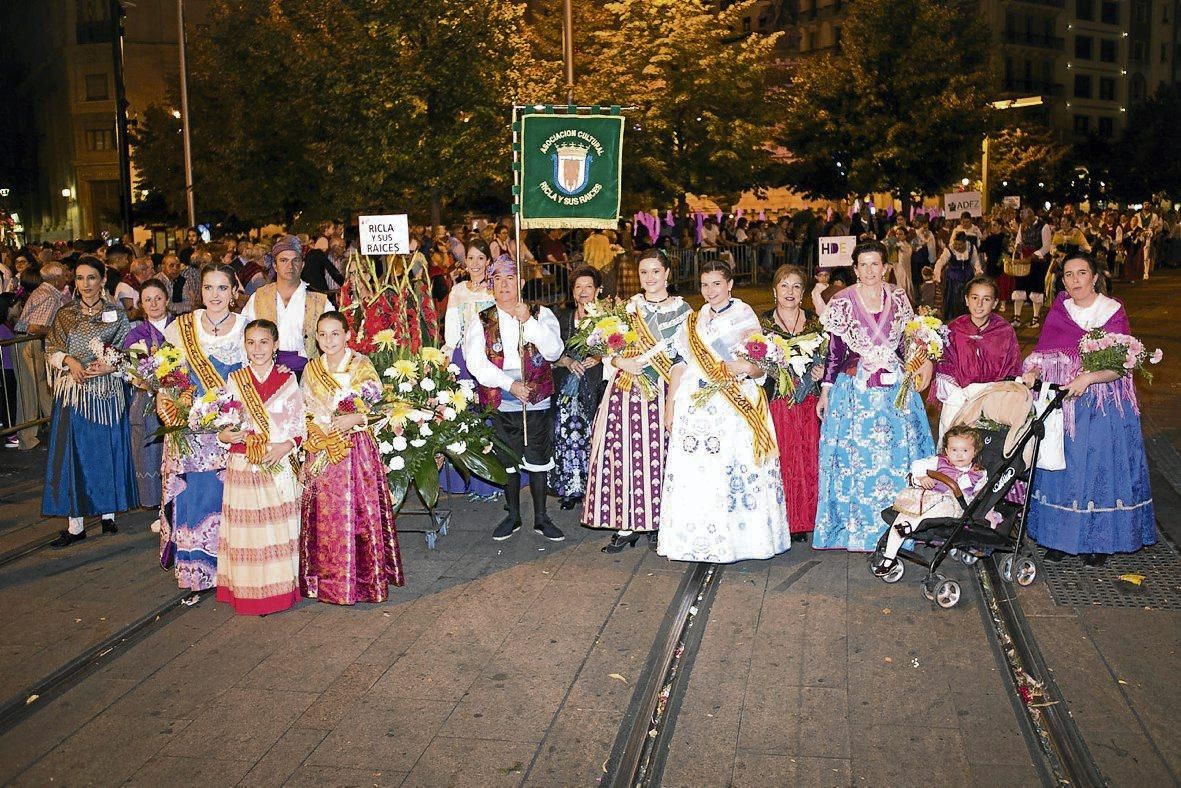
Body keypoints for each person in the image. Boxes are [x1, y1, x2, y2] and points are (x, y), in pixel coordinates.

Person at [1020, 254, 1155, 567]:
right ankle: (1059, 538)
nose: (1075, 280)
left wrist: (1090, 376)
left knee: (1097, 470)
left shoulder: (1112, 310)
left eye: (1082, 273)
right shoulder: (1060, 310)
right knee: (1061, 469)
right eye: (1068, 275)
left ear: (1095, 277)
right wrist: (1034, 371)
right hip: (1063, 406)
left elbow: (1121, 365)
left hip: (1103, 406)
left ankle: (1099, 540)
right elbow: (1043, 352)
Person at [658, 261, 789, 563]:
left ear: (729, 284)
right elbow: (679, 364)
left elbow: (759, 365)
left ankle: (743, 541)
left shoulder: (744, 316)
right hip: (697, 407)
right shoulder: (693, 320)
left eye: (717, 283)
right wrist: (671, 404)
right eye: (705, 284)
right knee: (701, 474)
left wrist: (744, 367)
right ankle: (697, 539)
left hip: (735, 406)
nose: (710, 291)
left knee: (733, 472)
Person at [812, 240, 936, 552]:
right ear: (855, 269)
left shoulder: (897, 297)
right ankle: (855, 530)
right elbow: (835, 353)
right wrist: (826, 391)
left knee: (897, 458)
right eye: (863, 265)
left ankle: (902, 526)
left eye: (875, 264)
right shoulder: (841, 302)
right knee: (854, 459)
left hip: (894, 391)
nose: (869, 271)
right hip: (856, 392)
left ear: (885, 267)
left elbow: (906, 344)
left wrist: (921, 359)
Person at [583, 250, 692, 551]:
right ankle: (629, 522)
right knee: (627, 456)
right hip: (628, 391)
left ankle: (661, 520)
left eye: (656, 271)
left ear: (667, 273)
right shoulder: (628, 308)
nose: (650, 278)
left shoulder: (684, 312)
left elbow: (687, 355)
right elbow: (605, 347)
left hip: (664, 391)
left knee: (663, 456)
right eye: (644, 272)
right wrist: (619, 361)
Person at [300, 312, 404, 604]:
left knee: (356, 513)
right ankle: (324, 582)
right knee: (324, 515)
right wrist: (315, 428)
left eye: (335, 333)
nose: (329, 340)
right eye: (322, 334)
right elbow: (305, 406)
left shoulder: (360, 365)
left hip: (354, 450)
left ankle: (363, 581)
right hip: (322, 447)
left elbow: (377, 406)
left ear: (347, 335)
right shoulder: (311, 369)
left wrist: (355, 418)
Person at [463, 257, 566, 541]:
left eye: (510, 279)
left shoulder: (540, 314)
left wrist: (528, 322)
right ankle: (513, 516)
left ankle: (542, 518)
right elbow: (475, 363)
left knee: (537, 457)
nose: (504, 285)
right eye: (498, 280)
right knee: (507, 459)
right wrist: (510, 384)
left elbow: (555, 351)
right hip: (500, 394)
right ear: (491, 286)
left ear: (520, 282)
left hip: (536, 396)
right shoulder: (481, 320)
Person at [160, 263, 245, 592]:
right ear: (200, 292)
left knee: (227, 495)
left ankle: (231, 570)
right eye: (209, 288)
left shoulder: (246, 328)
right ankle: (196, 571)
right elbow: (167, 375)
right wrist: (170, 406)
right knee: (195, 495)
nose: (215, 295)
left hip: (229, 425)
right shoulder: (181, 328)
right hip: (192, 429)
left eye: (222, 288)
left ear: (234, 292)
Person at [42, 257, 139, 546]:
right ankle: (76, 525)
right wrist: (69, 360)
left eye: (92, 278)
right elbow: (51, 348)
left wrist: (112, 365)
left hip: (108, 394)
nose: (86, 284)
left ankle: (108, 514)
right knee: (75, 456)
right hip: (75, 393)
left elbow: (131, 348)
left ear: (103, 279)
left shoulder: (116, 313)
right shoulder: (65, 314)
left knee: (107, 452)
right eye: (81, 278)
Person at [213, 319, 304, 615]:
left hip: (276, 463)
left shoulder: (288, 380)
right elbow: (225, 424)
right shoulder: (236, 379)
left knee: (275, 531)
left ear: (275, 344)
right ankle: (248, 592)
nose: (257, 349)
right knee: (248, 534)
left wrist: (285, 445)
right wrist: (226, 435)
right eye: (251, 342)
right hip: (243, 463)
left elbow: (300, 423)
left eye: (264, 342)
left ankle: (278, 593)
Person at [761, 265, 824, 542]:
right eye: (784, 285)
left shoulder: (815, 322)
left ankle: (809, 516)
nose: (790, 292)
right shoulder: (762, 324)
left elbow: (829, 355)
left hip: (809, 402)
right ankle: (784, 517)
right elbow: (756, 361)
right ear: (774, 290)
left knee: (810, 457)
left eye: (796, 286)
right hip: (778, 402)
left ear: (803, 293)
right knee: (783, 459)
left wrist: (822, 370)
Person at [873, 425, 986, 577]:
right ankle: (889, 558)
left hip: (954, 504)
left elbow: (979, 494)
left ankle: (909, 527)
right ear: (946, 451)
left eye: (965, 450)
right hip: (930, 498)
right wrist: (922, 477)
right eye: (954, 450)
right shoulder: (940, 461)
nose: (959, 455)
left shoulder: (978, 473)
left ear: (975, 451)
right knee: (905, 514)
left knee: (944, 503)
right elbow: (917, 465)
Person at [439, 240, 506, 499]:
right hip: (462, 358)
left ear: (488, 262)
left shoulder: (495, 290)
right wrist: (448, 359)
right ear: (464, 262)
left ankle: (492, 482)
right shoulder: (458, 291)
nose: (476, 264)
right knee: (463, 417)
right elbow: (451, 331)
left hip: (490, 356)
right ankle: (464, 479)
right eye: (471, 258)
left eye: (481, 258)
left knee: (488, 413)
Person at [931, 277, 1022, 438]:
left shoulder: (1004, 331)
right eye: (974, 298)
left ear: (994, 303)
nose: (979, 304)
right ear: (966, 300)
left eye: (986, 299)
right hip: (959, 399)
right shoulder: (953, 330)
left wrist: (992, 392)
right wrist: (962, 393)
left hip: (992, 400)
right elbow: (944, 365)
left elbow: (1012, 366)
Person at [552, 267, 606, 512]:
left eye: (588, 287)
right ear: (572, 292)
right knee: (567, 438)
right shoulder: (562, 318)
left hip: (596, 386)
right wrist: (567, 361)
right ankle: (570, 489)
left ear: (597, 290)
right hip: (567, 388)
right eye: (578, 287)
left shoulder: (609, 319)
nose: (583, 292)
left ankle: (594, 489)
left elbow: (619, 349)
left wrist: (600, 357)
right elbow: (550, 352)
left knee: (594, 438)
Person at [242, 235, 330, 378]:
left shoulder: (320, 301)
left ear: (302, 265)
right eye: (283, 260)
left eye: (295, 260)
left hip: (310, 374)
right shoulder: (258, 298)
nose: (290, 266)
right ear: (275, 266)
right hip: (266, 372)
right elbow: (245, 337)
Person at [121, 280, 174, 516]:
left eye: (158, 298)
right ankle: (160, 510)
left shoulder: (181, 326)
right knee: (152, 453)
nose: (153, 304)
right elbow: (133, 371)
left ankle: (177, 507)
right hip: (148, 399)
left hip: (180, 398)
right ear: (141, 305)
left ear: (167, 299)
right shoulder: (136, 334)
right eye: (147, 300)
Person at [13, 263, 69, 450]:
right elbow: (35, 327)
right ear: (55, 279)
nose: (67, 277)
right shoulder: (49, 295)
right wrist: (58, 331)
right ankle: (28, 439)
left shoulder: (44, 292)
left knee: (41, 389)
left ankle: (54, 431)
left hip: (28, 343)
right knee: (31, 391)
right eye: (64, 275)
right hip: (31, 344)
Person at [1011, 207, 1053, 328]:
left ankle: (1035, 317)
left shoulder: (1044, 226)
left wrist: (1033, 256)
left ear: (1031, 216)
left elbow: (1046, 247)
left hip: (1038, 262)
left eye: (1027, 220)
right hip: (1024, 261)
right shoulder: (1022, 226)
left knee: (1036, 288)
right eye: (1023, 220)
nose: (1025, 223)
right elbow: (1018, 240)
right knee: (1019, 287)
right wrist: (1018, 247)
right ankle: (1016, 317)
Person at [933, 232, 982, 322]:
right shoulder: (949, 249)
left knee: (967, 299)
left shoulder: (971, 248)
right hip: (953, 279)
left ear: (964, 243)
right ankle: (954, 320)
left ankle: (968, 320)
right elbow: (940, 262)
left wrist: (978, 271)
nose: (957, 246)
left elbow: (975, 261)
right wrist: (937, 273)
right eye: (956, 244)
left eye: (960, 244)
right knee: (954, 301)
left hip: (968, 277)